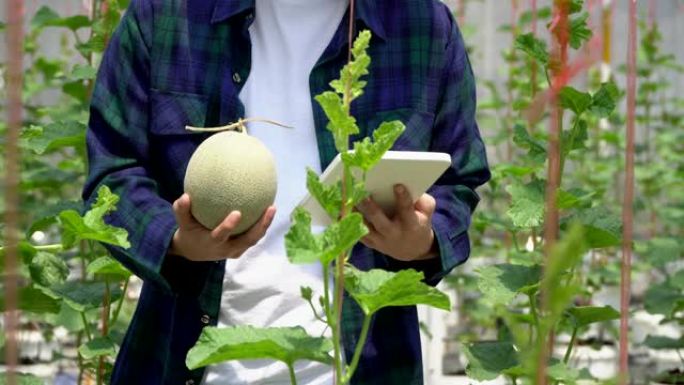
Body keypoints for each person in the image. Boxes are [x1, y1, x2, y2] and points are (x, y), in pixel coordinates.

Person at [82, 0, 491, 384]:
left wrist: (423, 240)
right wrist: (175, 241)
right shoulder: (165, 15)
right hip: (186, 360)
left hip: (365, 368)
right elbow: (113, 172)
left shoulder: (424, 26)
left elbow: (459, 178)